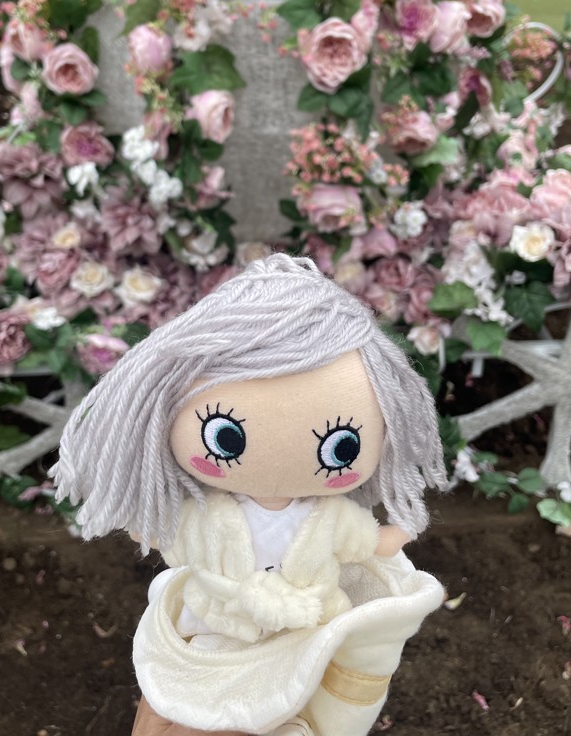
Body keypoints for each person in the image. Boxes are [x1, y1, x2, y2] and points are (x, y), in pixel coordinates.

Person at [53, 254, 447, 736]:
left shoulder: (325, 518)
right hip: (224, 618)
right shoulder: (214, 513)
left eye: (340, 447)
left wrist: (393, 536)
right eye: (226, 436)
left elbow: (362, 540)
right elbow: (176, 536)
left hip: (305, 621)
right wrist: (148, 529)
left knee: (308, 690)